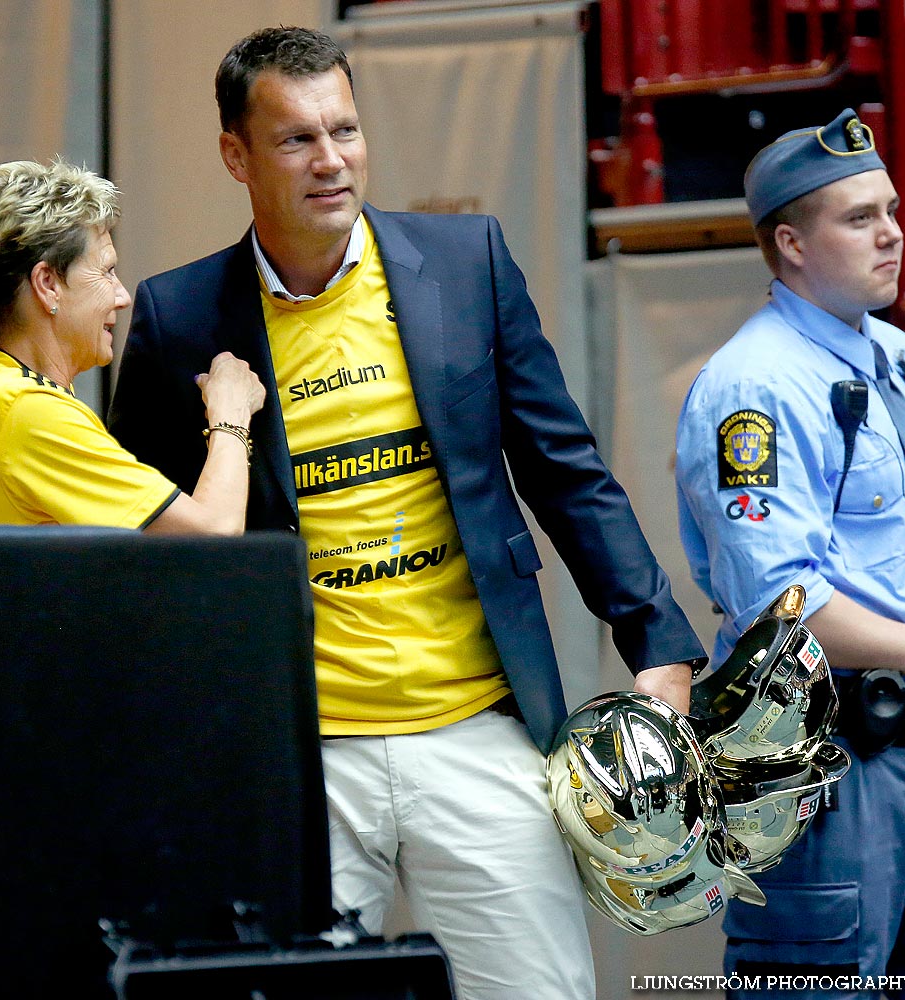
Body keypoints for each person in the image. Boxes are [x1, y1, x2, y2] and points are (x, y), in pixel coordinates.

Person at [107, 27, 706, 1000]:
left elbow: (566, 469)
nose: (331, 159)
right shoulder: (181, 317)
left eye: (345, 129)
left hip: (475, 727)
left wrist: (660, 645)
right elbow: (148, 555)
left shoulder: (462, 263)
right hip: (299, 751)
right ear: (236, 155)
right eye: (297, 138)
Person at [674, 108, 905, 999]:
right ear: (789, 242)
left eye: (891, 210)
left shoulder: (893, 356)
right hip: (840, 757)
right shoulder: (756, 386)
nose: (891, 233)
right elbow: (786, 602)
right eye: (859, 219)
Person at [0, 158, 264, 533]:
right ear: (48, 285)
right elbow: (215, 533)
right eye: (106, 271)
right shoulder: (32, 416)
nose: (122, 296)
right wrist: (231, 416)